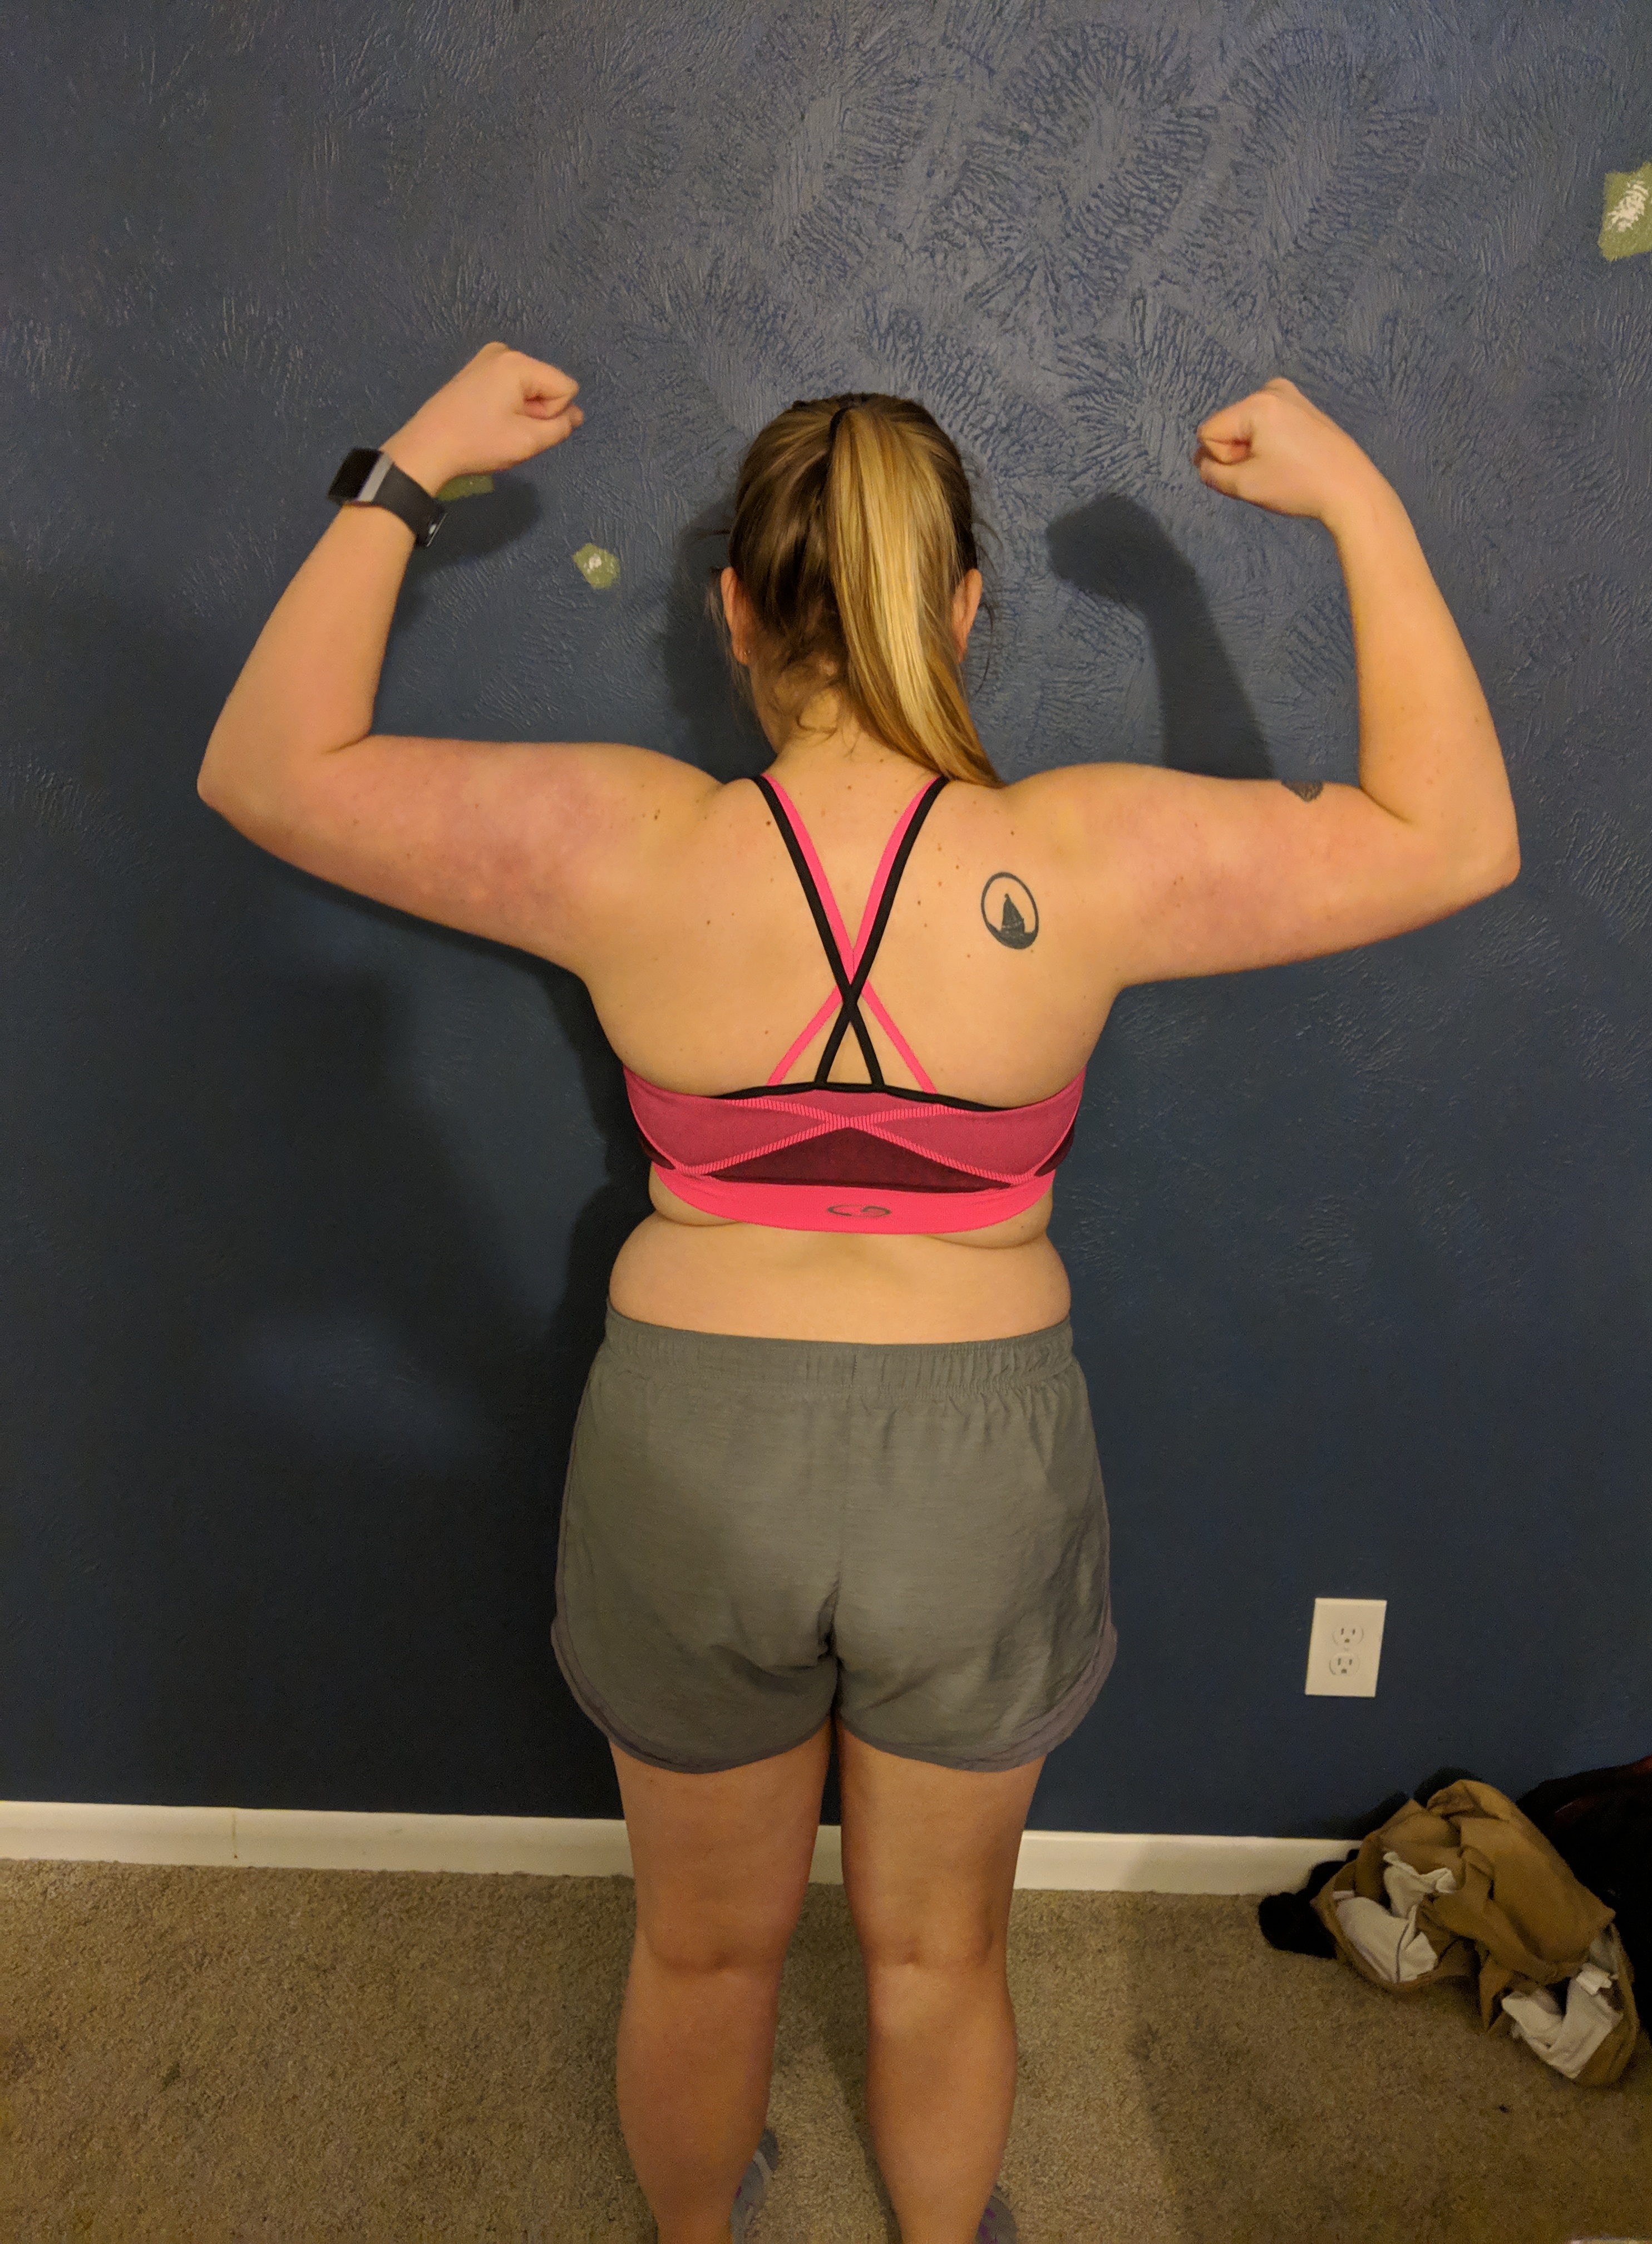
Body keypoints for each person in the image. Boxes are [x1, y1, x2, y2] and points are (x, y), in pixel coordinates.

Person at [198, 342, 1519, 2244]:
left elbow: (267, 767)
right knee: (935, 1958)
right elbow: (1454, 834)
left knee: (702, 1953)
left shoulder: (633, 842)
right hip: (973, 1468)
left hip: (692, 1446)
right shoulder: (1081, 859)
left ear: (737, 612)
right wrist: (1356, 501)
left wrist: (413, 463)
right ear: (965, 609)